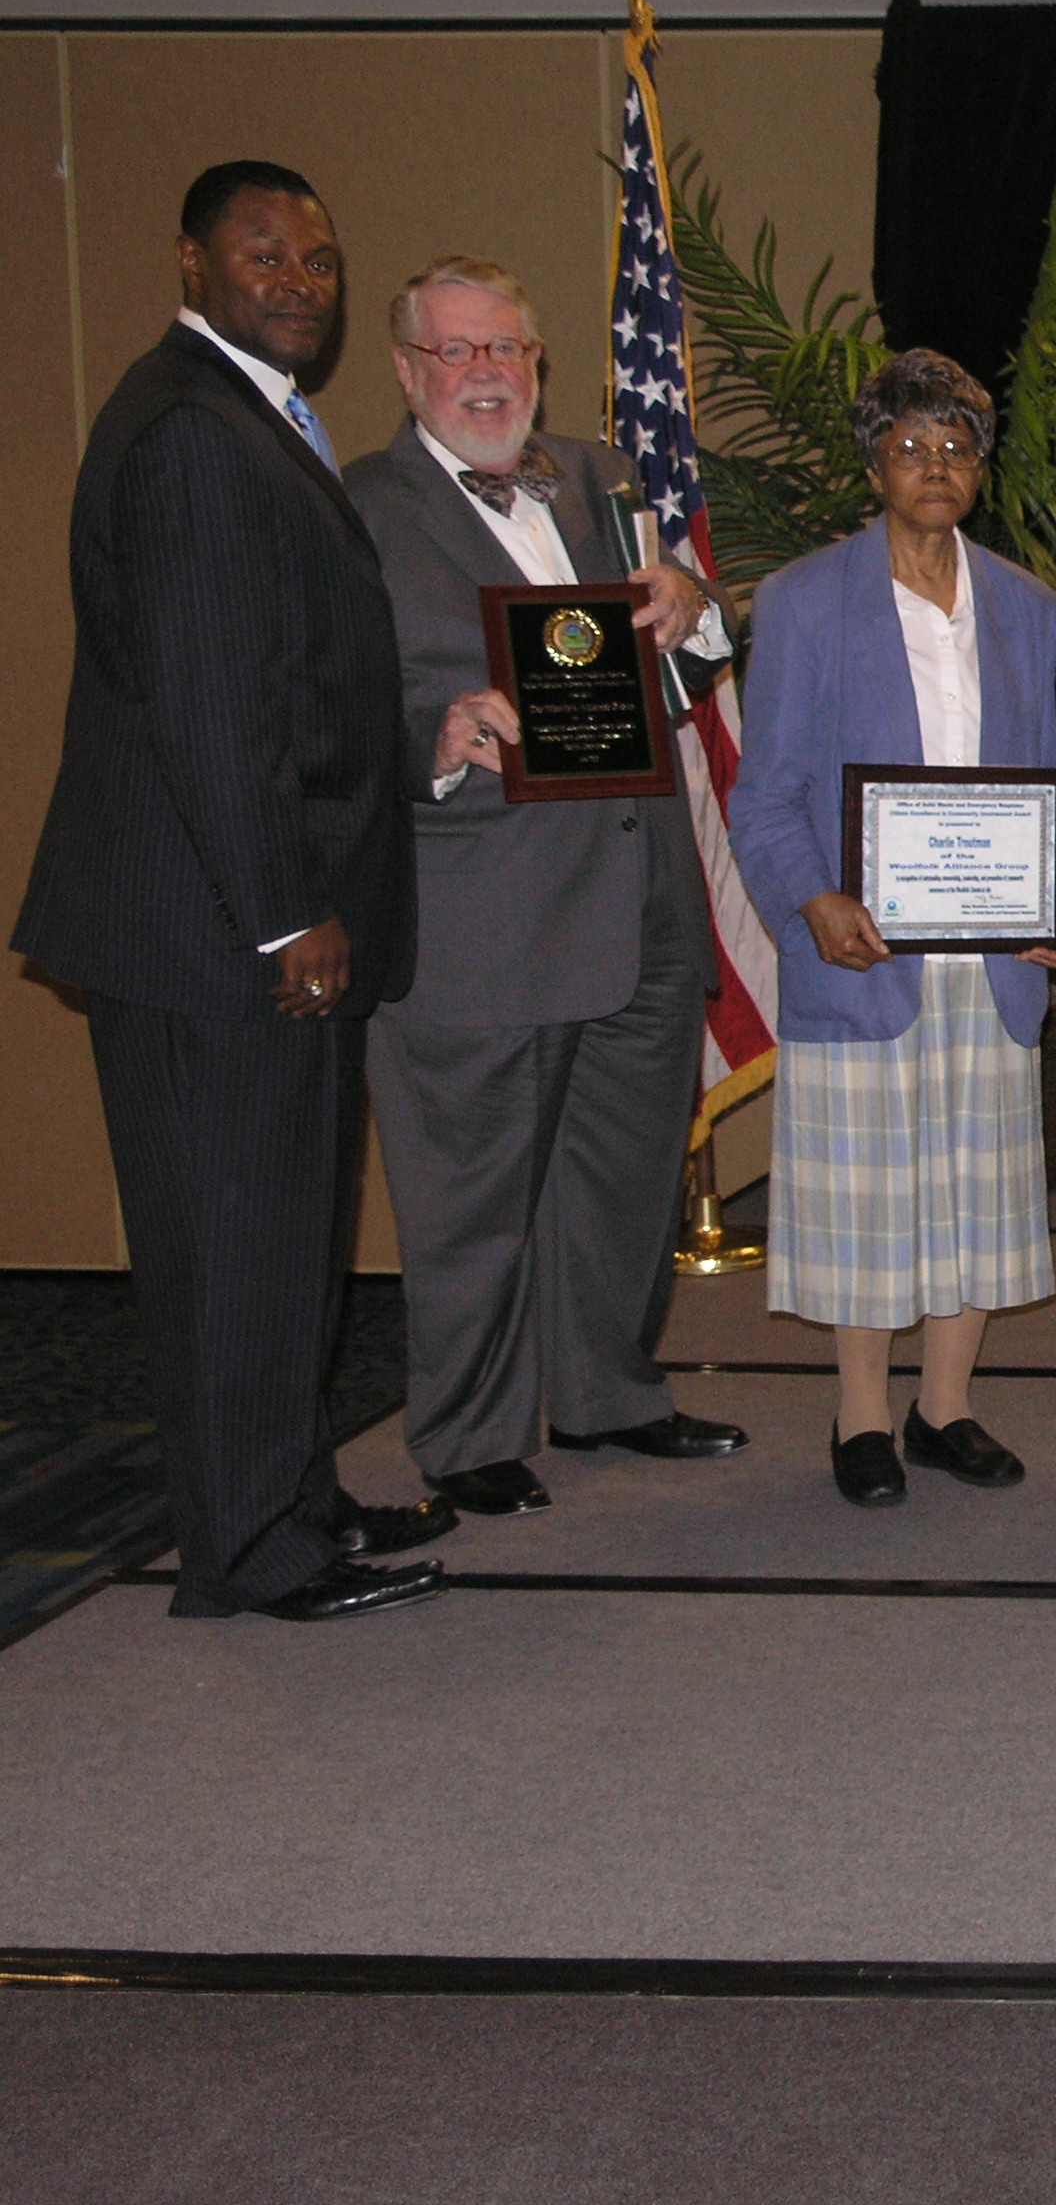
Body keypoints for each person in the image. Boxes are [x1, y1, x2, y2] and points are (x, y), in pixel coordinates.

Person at [12, 161, 441, 1620]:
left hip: (244, 923)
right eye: (262, 255)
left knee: (279, 1239)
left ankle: (287, 1501)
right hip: (218, 936)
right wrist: (283, 912)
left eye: (318, 260)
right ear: (190, 265)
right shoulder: (195, 433)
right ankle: (249, 1552)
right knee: (232, 1247)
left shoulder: (249, 417)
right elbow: (212, 706)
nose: (296, 281)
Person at [343, 255, 750, 1520]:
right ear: (408, 370)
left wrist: (697, 604)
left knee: (622, 1177)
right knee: (472, 1193)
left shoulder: (603, 476)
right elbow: (316, 699)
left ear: (540, 362)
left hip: (639, 896)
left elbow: (682, 666)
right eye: (456, 352)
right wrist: (434, 736)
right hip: (479, 911)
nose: (485, 375)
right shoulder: (352, 507)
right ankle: (465, 1432)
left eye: (506, 350)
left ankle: (607, 1394)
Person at [732, 351, 1056, 1506]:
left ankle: (945, 1408)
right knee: (864, 1191)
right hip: (867, 952)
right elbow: (767, 793)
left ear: (981, 471)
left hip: (993, 952)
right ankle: (859, 1419)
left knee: (978, 1182)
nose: (934, 467)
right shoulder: (803, 601)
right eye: (910, 447)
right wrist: (812, 902)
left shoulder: (1030, 607)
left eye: (957, 449)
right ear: (872, 464)